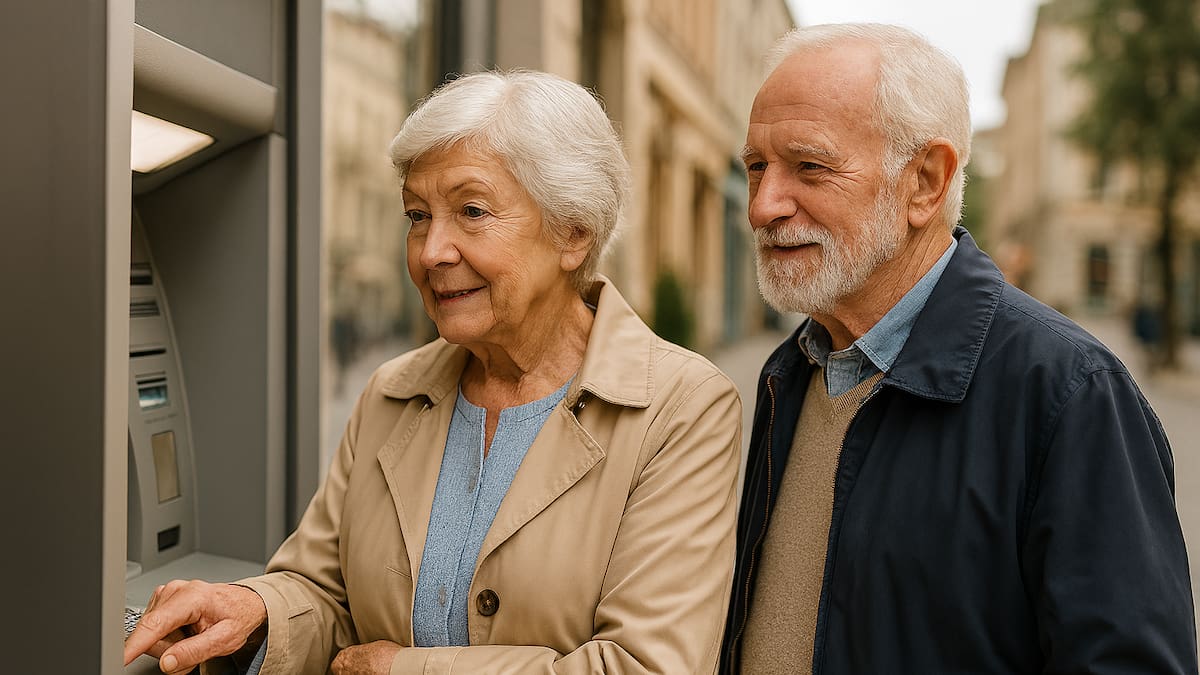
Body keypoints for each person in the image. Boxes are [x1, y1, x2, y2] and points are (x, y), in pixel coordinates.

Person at [124, 69, 742, 675]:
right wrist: (255, 611)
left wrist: (406, 669)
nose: (430, 251)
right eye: (417, 215)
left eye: (471, 211)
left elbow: (648, 665)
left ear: (572, 234)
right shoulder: (392, 392)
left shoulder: (682, 408)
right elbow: (325, 593)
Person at [720, 23, 1197, 674]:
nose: (763, 205)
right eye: (756, 168)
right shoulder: (791, 371)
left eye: (809, 166)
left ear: (925, 181)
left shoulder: (1069, 392)